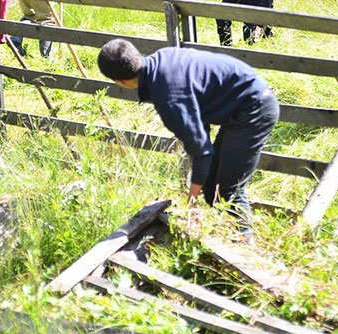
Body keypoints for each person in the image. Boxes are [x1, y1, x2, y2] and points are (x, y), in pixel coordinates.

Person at [97, 38, 279, 234]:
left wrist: (191, 204)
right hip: (242, 104)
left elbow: (202, 152)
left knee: (228, 191)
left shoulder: (168, 98)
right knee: (211, 188)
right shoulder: (162, 59)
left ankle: (246, 248)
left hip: (254, 108)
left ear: (120, 81)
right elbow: (199, 127)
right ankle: (230, 236)